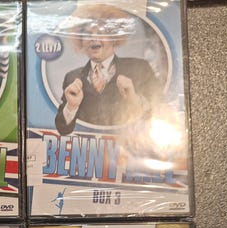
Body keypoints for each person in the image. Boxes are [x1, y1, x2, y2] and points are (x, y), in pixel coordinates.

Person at [54, 4, 161, 135]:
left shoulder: (140, 68)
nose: (93, 38)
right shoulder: (71, 78)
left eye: (101, 32)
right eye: (87, 33)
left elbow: (160, 112)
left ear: (114, 37)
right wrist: (71, 106)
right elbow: (62, 129)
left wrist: (134, 99)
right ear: (80, 41)